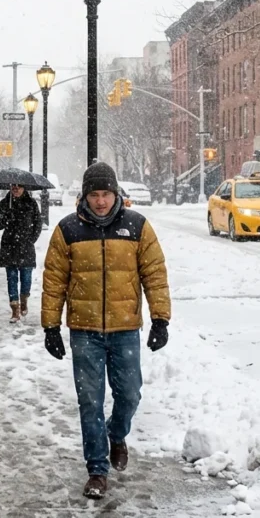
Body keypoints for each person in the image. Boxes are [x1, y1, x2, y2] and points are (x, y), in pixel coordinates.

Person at [41, 161, 171, 500]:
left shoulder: (136, 226)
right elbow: (54, 281)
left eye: (106, 194)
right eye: (94, 195)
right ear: (85, 196)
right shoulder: (68, 229)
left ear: (116, 194)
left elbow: (155, 274)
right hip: (84, 331)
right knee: (90, 401)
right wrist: (50, 326)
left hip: (125, 328)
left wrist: (160, 319)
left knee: (129, 394)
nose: (101, 201)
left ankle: (116, 433)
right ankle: (97, 470)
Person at [0, 184, 43, 323]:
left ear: (24, 188)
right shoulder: (4, 203)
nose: (16, 189)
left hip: (26, 246)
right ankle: (15, 309)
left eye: (19, 186)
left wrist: (31, 239)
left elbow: (38, 223)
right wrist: (5, 215)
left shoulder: (31, 203)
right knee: (12, 278)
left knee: (26, 278)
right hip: (9, 246)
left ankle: (24, 299)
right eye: (13, 186)